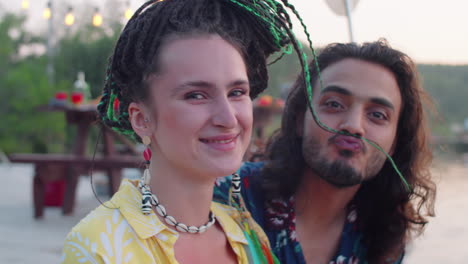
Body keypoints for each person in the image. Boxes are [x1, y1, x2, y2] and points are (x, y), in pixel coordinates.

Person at [60, 0, 309, 263]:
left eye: (237, 92)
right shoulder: (101, 247)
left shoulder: (247, 235)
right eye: (196, 95)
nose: (227, 118)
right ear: (142, 119)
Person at [215, 40, 436, 263]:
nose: (353, 125)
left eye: (377, 115)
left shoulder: (383, 239)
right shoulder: (225, 197)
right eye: (334, 104)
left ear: (395, 141)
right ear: (300, 119)